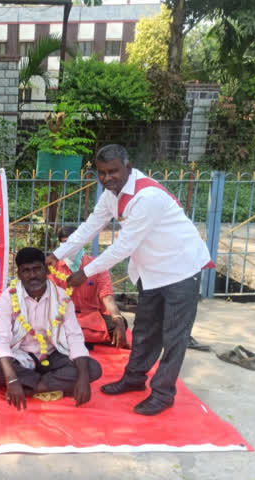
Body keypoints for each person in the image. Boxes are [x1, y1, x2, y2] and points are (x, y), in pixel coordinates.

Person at [47, 144, 213, 416]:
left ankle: (163, 393)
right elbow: (90, 226)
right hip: (151, 271)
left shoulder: (147, 197)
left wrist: (84, 273)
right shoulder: (112, 195)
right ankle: (134, 378)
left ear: (128, 167)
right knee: (146, 329)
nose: (107, 178)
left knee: (173, 336)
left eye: (113, 171)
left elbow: (122, 247)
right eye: (101, 172)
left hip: (181, 269)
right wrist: (57, 254)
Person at [0, 247, 102, 410]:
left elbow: (74, 337)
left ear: (46, 269)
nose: (32, 275)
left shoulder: (62, 297)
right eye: (26, 271)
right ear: (18, 274)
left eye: (37, 269)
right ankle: (51, 383)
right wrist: (11, 379)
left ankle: (33, 386)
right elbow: (0, 340)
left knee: (92, 369)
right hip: (21, 355)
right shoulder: (8, 298)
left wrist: (82, 378)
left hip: (54, 354)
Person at [50, 226, 127, 348]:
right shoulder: (53, 268)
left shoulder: (96, 265)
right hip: (64, 318)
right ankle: (86, 338)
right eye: (65, 243)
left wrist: (117, 318)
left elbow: (106, 295)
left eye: (72, 243)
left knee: (120, 324)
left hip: (92, 318)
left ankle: (71, 339)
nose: (69, 248)